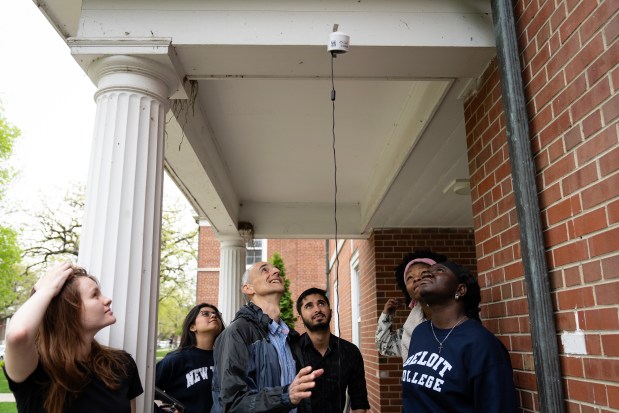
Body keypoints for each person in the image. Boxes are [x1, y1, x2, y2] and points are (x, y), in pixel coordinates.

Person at [2, 262, 143, 413]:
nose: (107, 299)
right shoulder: (35, 370)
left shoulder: (121, 365)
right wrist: (45, 290)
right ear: (69, 311)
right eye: (95, 295)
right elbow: (18, 335)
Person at [402, 260, 516, 412]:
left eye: (439, 270)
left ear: (460, 290)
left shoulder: (481, 343)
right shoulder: (419, 333)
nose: (427, 274)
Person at [211, 261, 324, 413]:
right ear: (248, 288)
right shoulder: (237, 332)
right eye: (264, 270)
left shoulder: (291, 338)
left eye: (276, 269)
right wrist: (285, 396)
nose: (277, 271)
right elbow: (233, 403)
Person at [296, 288, 370, 413]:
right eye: (309, 306)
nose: (317, 309)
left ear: (330, 311)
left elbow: (359, 401)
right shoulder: (291, 351)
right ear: (300, 318)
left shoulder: (350, 352)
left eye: (321, 303)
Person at [375, 251, 447, 360]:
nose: (416, 279)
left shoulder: (459, 315)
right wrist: (387, 316)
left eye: (423, 273)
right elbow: (384, 346)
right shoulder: (411, 328)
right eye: (409, 277)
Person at [156, 303, 224, 413]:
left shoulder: (226, 358)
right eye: (205, 313)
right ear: (192, 327)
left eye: (216, 314)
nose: (213, 316)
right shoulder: (176, 359)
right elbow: (147, 390)